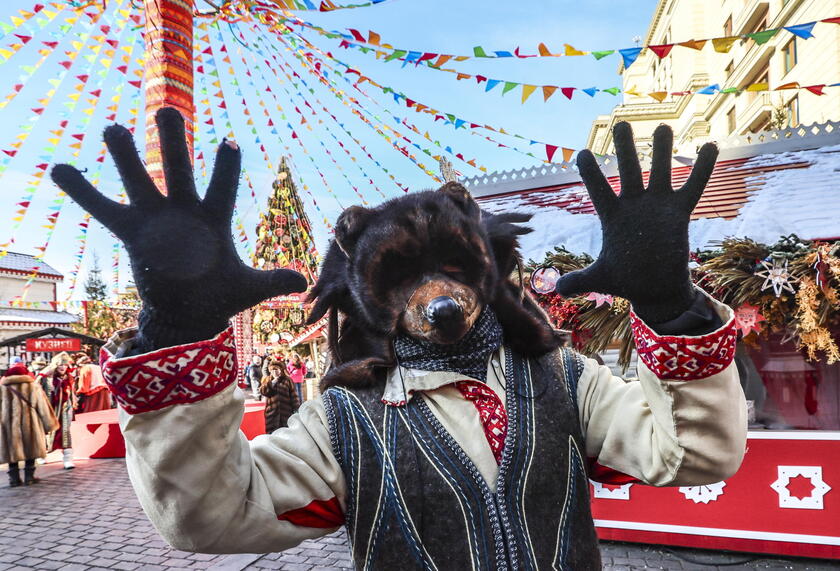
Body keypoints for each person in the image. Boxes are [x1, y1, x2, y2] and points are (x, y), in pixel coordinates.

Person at [52, 108, 746, 567]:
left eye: (453, 267)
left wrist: (671, 305)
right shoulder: (345, 420)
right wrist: (178, 331)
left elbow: (695, 453)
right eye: (405, 275)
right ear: (365, 292)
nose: (439, 297)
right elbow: (213, 515)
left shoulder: (563, 377)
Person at [1, 360, 59, 486]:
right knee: (31, 449)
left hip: (9, 426)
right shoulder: (34, 387)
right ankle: (29, 478)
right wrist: (49, 424)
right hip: (31, 424)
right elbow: (43, 407)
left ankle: (14, 479)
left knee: (12, 451)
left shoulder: (2, 388)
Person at [43, 353, 76, 469]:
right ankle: (42, 455)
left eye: (65, 365)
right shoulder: (46, 378)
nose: (63, 368)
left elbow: (72, 394)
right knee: (46, 433)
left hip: (64, 410)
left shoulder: (69, 378)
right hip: (49, 410)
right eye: (60, 365)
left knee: (65, 433)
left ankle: (68, 459)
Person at [259, 360, 300, 433]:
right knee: (272, 434)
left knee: (287, 433)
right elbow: (263, 391)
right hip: (272, 412)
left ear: (281, 370)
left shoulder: (287, 380)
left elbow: (294, 395)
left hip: (286, 412)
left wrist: (296, 409)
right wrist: (274, 381)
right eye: (272, 370)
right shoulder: (268, 379)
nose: (274, 372)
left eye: (276, 369)